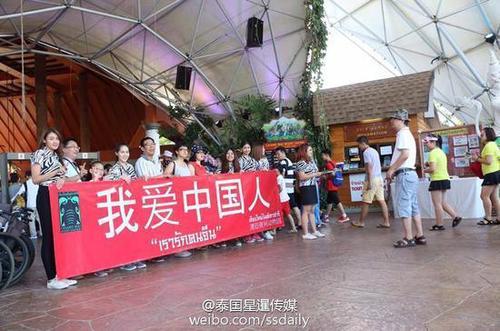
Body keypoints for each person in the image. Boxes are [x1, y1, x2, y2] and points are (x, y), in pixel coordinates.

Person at [31, 128, 76, 290]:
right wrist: (56, 171)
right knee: (49, 237)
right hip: (45, 195)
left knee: (59, 237)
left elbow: (60, 177)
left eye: (57, 139)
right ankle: (51, 278)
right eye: (51, 138)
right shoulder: (39, 154)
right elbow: (36, 179)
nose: (55, 141)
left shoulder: (57, 157)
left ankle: (60, 274)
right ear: (44, 140)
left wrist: (62, 178)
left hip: (59, 196)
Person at [386, 109, 426, 248]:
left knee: (404, 206)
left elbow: (405, 154)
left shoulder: (402, 134)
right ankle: (420, 235)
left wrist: (391, 169)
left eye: (394, 119)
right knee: (413, 205)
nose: (391, 122)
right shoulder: (408, 134)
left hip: (404, 174)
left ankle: (408, 238)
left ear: (402, 121)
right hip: (411, 174)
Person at [105, 144, 138, 271]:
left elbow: (135, 181)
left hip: (131, 201)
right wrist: (120, 178)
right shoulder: (114, 168)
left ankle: (133, 257)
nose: (125, 154)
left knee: (132, 232)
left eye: (127, 152)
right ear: (117, 153)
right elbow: (108, 181)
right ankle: (124, 260)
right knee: (122, 232)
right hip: (120, 202)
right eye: (122, 152)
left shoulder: (130, 167)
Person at [423, 134, 462, 230]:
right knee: (443, 203)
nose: (426, 145)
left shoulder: (432, 153)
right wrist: (428, 164)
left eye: (427, 142)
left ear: (434, 142)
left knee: (437, 204)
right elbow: (437, 164)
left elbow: (432, 169)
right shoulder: (440, 152)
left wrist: (424, 170)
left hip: (437, 180)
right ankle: (455, 217)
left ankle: (439, 224)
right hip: (445, 179)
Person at [351, 137, 390, 228]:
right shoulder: (374, 151)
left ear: (363, 143)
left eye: (359, 145)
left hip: (372, 179)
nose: (359, 147)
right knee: (382, 201)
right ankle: (386, 222)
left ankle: (361, 222)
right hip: (379, 178)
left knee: (366, 201)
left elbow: (369, 169)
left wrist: (369, 182)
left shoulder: (366, 152)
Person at [164, 142, 194, 258]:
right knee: (178, 223)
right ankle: (178, 248)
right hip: (177, 197)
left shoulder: (188, 165)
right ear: (176, 151)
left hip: (187, 197)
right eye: (182, 149)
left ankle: (186, 245)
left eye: (186, 150)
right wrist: (176, 179)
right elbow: (165, 175)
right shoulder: (173, 164)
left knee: (186, 222)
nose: (185, 152)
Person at [295, 143, 325, 240]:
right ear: (304, 152)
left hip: (312, 186)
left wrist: (318, 174)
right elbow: (302, 177)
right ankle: (305, 233)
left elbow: (314, 173)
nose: (312, 152)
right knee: (306, 211)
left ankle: (315, 231)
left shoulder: (311, 162)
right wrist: (315, 174)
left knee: (312, 210)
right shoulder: (300, 163)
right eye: (310, 150)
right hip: (306, 187)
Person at [238, 142, 264, 243]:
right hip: (245, 186)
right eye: (245, 148)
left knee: (254, 210)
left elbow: (259, 170)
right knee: (247, 210)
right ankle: (247, 234)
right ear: (241, 149)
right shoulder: (240, 160)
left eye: (248, 147)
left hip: (254, 186)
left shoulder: (253, 160)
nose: (247, 149)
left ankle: (255, 232)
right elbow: (239, 172)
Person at [474, 127, 500, 225]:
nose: (480, 137)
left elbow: (489, 161)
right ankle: (498, 218)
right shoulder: (494, 145)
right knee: (494, 197)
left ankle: (488, 218)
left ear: (488, 135)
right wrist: (479, 158)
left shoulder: (489, 146)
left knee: (484, 196)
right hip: (496, 173)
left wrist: (477, 159)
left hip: (491, 174)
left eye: (482, 135)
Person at [219, 148, 243, 247]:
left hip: (236, 195)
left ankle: (236, 237)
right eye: (227, 153)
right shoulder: (221, 166)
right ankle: (224, 238)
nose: (230, 155)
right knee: (225, 218)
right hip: (224, 195)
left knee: (235, 217)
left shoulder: (238, 166)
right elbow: (216, 177)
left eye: (232, 153)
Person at [275, 147, 301, 229]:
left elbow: (281, 174)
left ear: (283, 153)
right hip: (290, 185)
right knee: (293, 203)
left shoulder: (283, 162)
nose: (277, 156)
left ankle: (300, 222)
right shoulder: (288, 160)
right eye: (276, 154)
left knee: (292, 204)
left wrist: (279, 180)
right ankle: (300, 221)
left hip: (286, 186)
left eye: (278, 154)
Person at [251, 144, 274, 240]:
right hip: (257, 186)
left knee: (265, 209)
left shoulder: (264, 159)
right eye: (263, 148)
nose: (264, 150)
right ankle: (262, 231)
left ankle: (266, 230)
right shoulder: (255, 161)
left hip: (264, 186)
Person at [320, 149, 350, 224]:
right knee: (329, 201)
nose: (322, 157)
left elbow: (332, 174)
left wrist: (325, 177)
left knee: (336, 200)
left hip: (331, 185)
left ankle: (344, 216)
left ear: (327, 155)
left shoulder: (328, 164)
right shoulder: (333, 163)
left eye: (322, 155)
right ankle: (326, 216)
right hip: (334, 184)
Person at [275, 169, 297, 233]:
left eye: (275, 171)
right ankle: (294, 228)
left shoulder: (278, 178)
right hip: (286, 198)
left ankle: (275, 230)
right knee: (288, 214)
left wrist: (276, 193)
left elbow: (280, 188)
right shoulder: (281, 176)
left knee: (278, 214)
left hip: (281, 199)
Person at [25, 171, 41, 239]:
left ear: (27, 176)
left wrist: (12, 200)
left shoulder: (26, 183)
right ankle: (42, 233)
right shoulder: (38, 182)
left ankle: (33, 235)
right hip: (38, 203)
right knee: (40, 219)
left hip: (30, 205)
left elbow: (19, 193)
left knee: (31, 221)